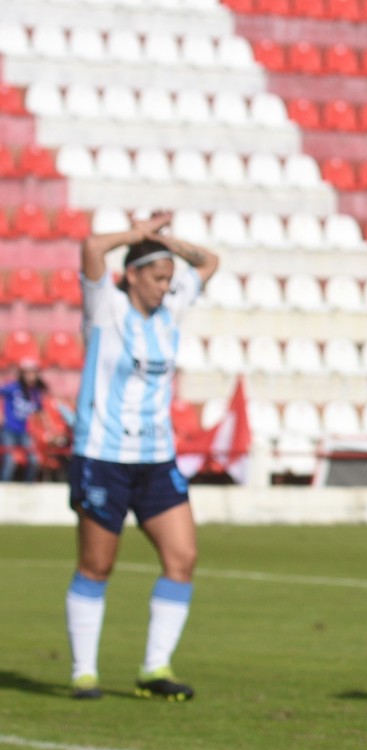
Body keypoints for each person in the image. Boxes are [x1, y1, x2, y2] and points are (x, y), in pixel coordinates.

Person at [67, 211, 220, 701]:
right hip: (102, 456)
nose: (164, 288)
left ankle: (155, 668)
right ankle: (83, 671)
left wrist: (165, 243)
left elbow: (211, 261)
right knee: (97, 565)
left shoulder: (171, 308)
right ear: (131, 274)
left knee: (183, 557)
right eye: (156, 278)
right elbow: (91, 247)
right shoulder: (104, 306)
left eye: (168, 279)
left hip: (157, 457)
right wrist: (137, 237)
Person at [1, 357, 46, 482]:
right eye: (28, 373)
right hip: (8, 430)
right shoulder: (13, 387)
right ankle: (4, 487)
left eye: (34, 373)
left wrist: (48, 428)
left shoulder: (35, 393)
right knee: (10, 461)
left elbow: (40, 411)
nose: (31, 376)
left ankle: (28, 487)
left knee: (34, 460)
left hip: (24, 431)